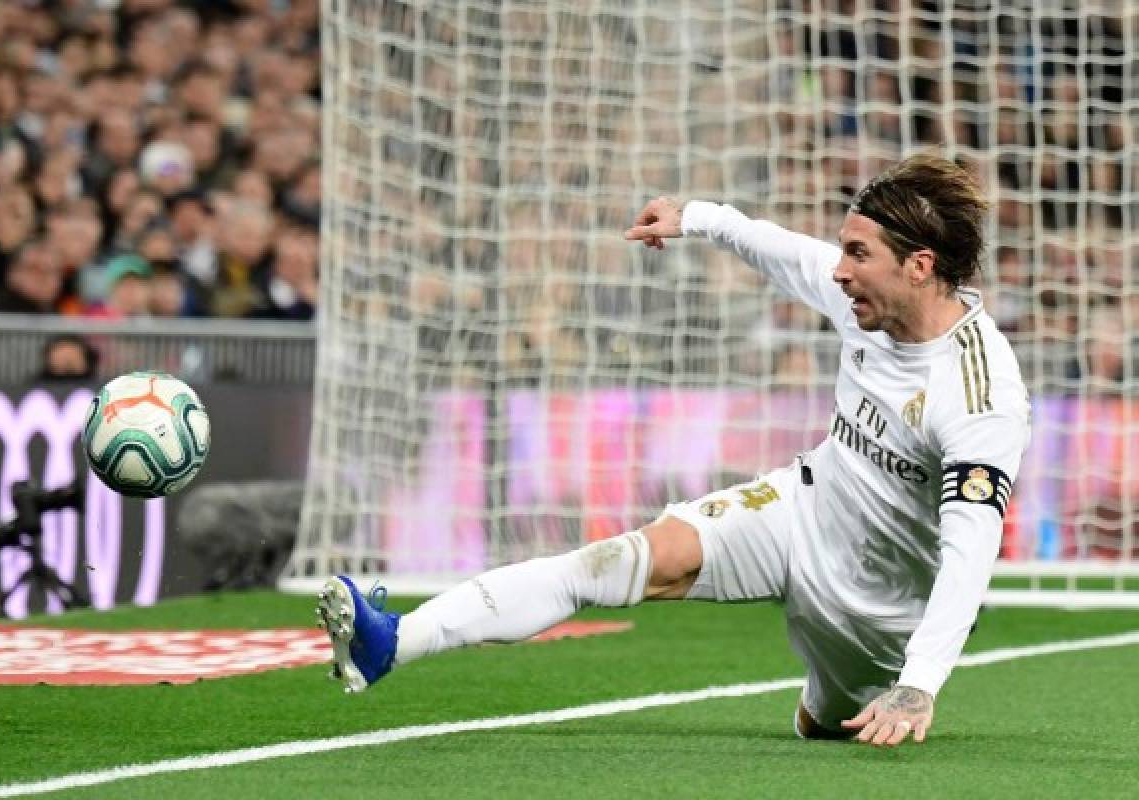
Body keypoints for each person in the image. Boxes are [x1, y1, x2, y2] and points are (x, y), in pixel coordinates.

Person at [316, 154, 1031, 748]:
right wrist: (697, 218)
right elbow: (782, 251)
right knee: (613, 561)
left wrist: (918, 683)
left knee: (825, 726)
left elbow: (972, 547)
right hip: (799, 509)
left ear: (919, 266)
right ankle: (392, 643)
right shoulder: (864, 299)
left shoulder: (979, 390)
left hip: (876, 607)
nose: (838, 271)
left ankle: (830, 697)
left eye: (856, 254)